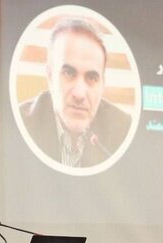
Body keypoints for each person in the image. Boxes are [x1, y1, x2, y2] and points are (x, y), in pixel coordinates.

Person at [19, 17, 131, 168]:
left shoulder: (123, 130)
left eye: (92, 77)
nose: (79, 94)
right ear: (50, 76)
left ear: (102, 84)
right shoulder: (21, 124)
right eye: (69, 73)